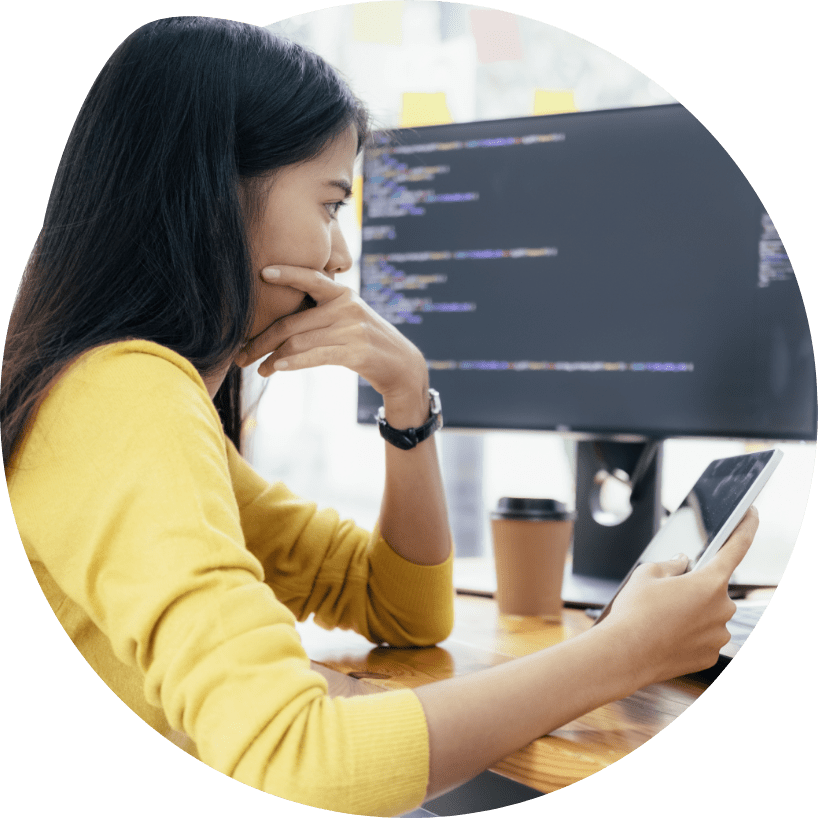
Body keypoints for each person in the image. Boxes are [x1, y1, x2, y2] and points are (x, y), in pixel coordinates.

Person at [1, 16, 758, 816]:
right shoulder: (125, 400)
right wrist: (625, 652)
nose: (341, 257)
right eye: (331, 204)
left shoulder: (113, 396)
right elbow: (300, 765)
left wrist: (408, 398)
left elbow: (404, 608)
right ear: (213, 191)